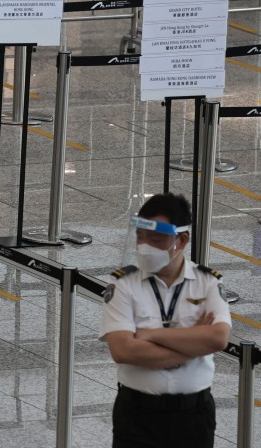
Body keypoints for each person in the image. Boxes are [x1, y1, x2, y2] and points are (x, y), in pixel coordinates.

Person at [99, 192, 231, 448]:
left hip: (193, 415)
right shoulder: (123, 284)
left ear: (181, 240)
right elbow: (123, 349)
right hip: (137, 414)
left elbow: (218, 338)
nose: (145, 246)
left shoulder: (208, 283)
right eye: (140, 237)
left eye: (157, 239)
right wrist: (193, 343)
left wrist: (149, 335)